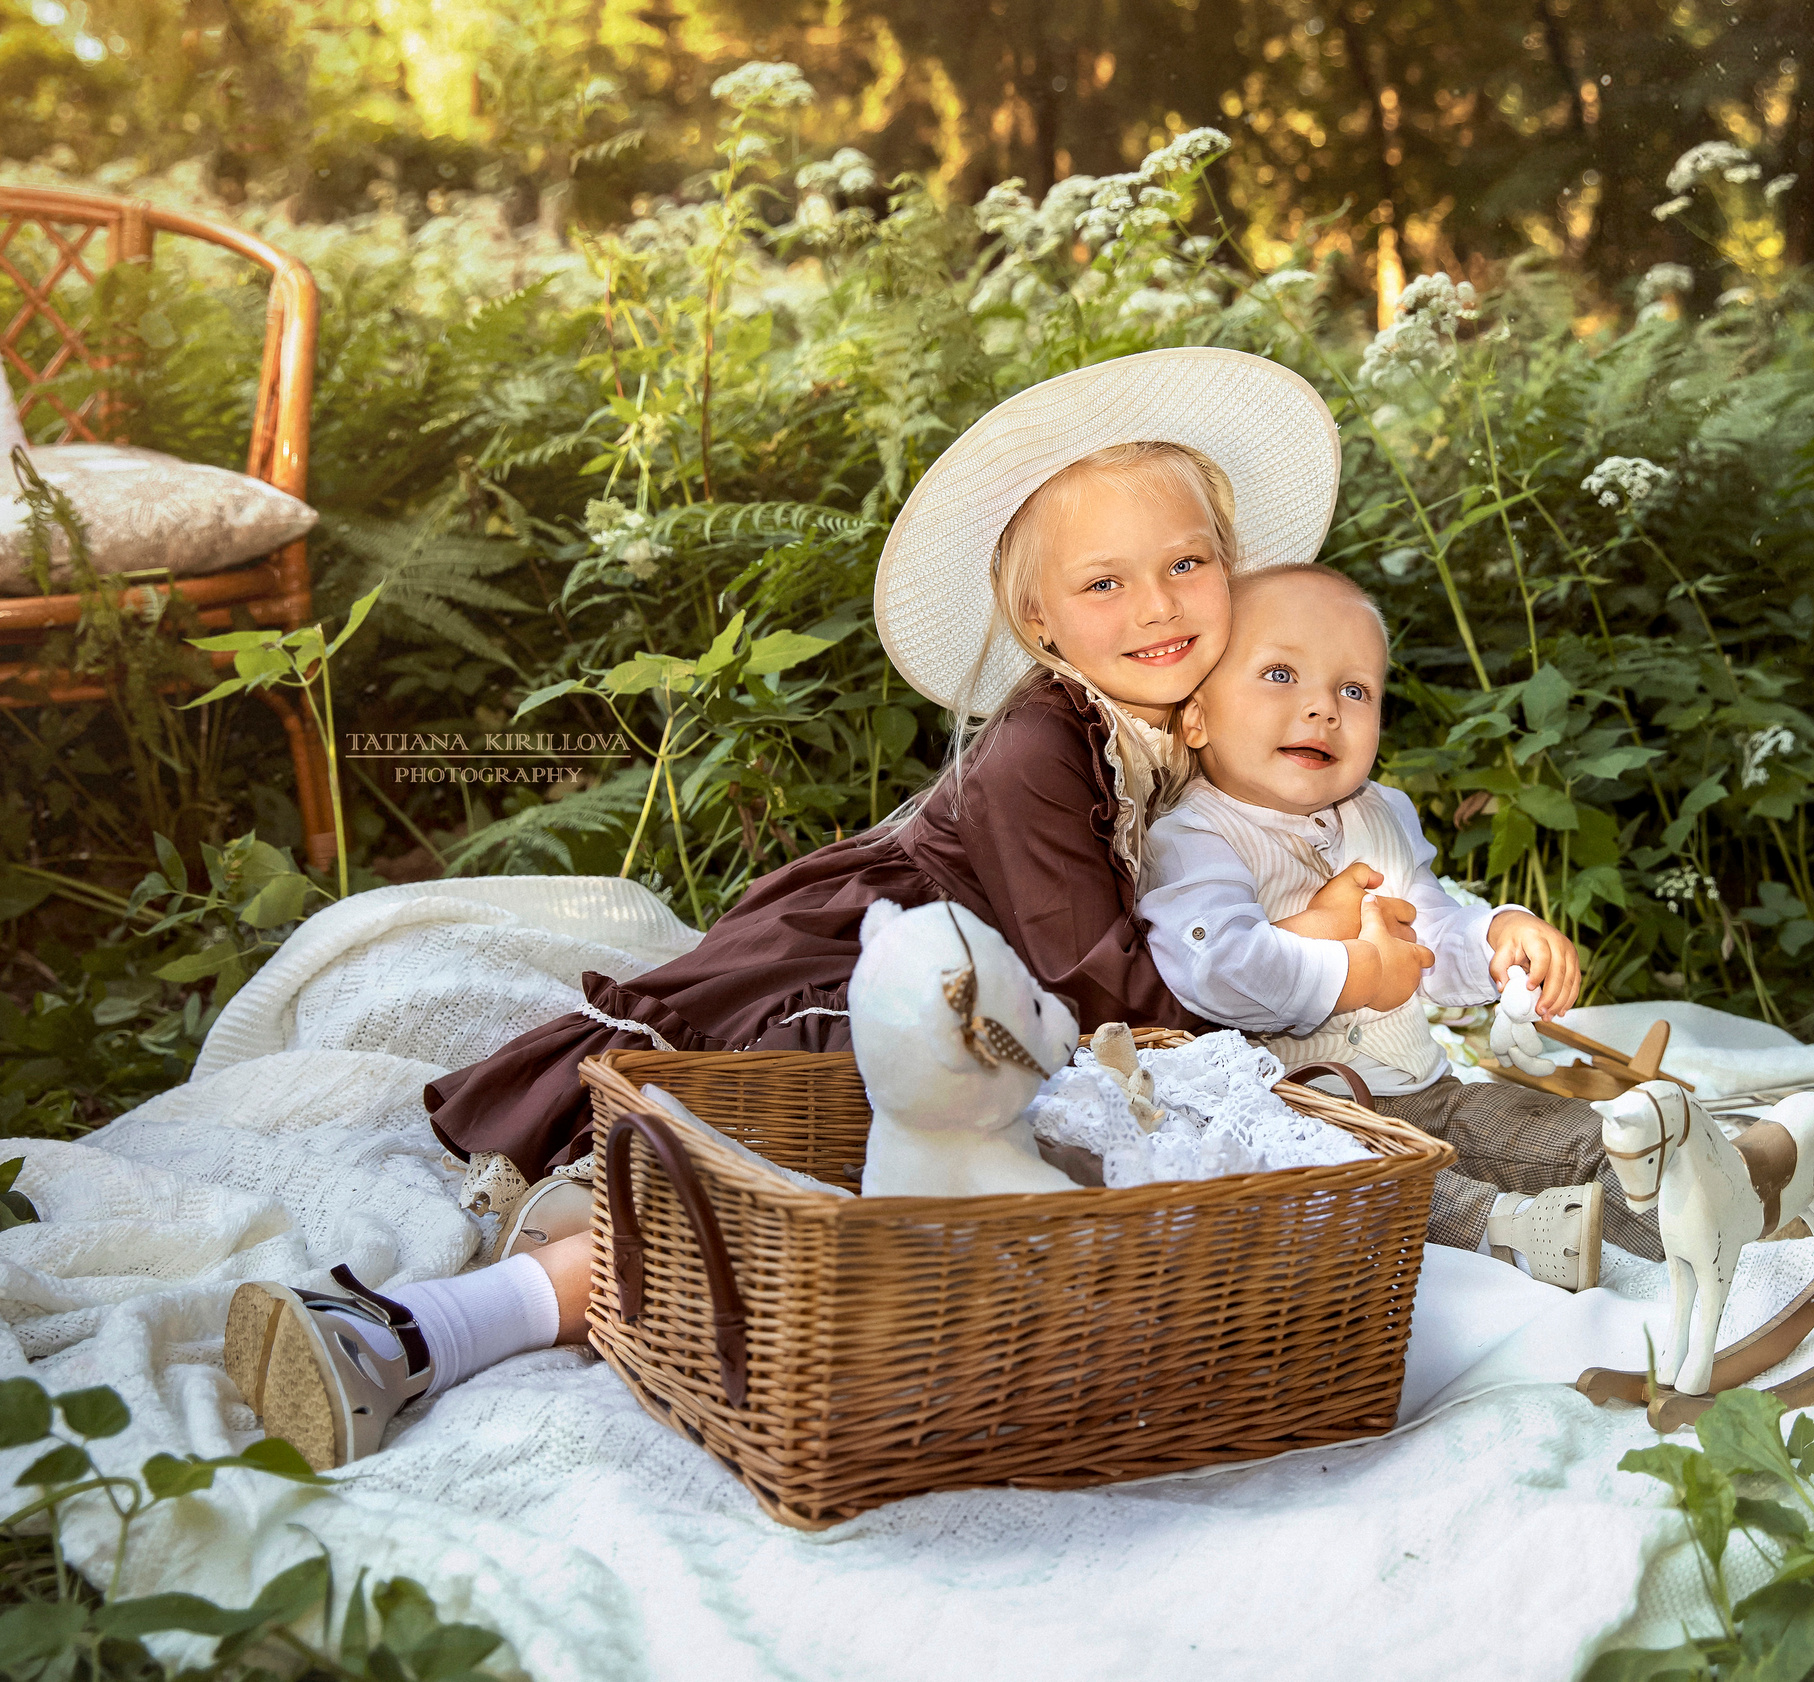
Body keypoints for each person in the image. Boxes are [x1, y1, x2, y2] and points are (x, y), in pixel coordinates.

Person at [223, 347, 1346, 1467]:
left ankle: (422, 1327)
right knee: (790, 1184)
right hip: (879, 967)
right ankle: (414, 1329)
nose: (1156, 605)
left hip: (1004, 1000)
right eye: (1105, 582)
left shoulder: (1193, 722)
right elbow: (1103, 975)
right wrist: (1297, 978)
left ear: (1230, 569)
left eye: (1186, 562)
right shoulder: (1042, 742)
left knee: (901, 1203)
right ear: (1041, 621)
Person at [1139, 562, 1663, 1289]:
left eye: (1354, 690)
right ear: (1195, 716)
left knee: (1548, 1128)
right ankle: (1508, 1233)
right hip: (1298, 1108)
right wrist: (1349, 965)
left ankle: (1710, 1192)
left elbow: (1433, 934)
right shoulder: (1193, 835)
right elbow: (1214, 971)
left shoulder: (1381, 813)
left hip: (1425, 1086)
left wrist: (1497, 941)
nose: (1323, 709)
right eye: (1281, 674)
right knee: (1358, 1184)